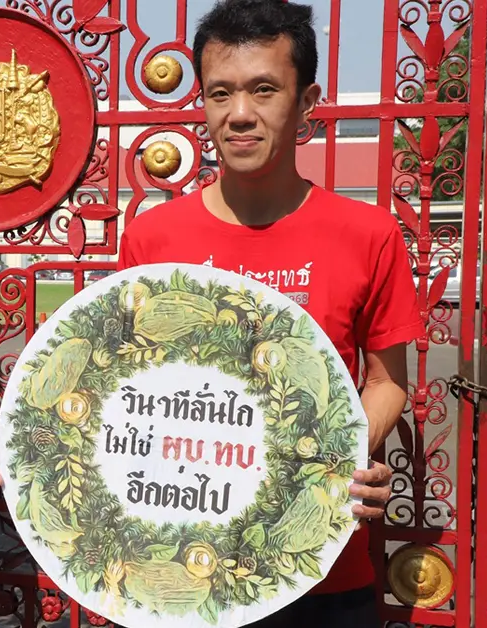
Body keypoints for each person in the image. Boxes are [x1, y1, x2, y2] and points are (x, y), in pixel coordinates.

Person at [115, 1, 422, 625]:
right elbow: (123, 385)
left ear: (306, 102)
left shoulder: (368, 233)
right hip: (181, 570)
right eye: (220, 92)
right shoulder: (152, 237)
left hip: (319, 570)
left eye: (264, 90)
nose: (239, 114)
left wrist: (340, 454)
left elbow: (387, 382)